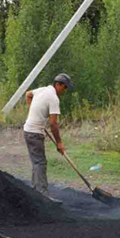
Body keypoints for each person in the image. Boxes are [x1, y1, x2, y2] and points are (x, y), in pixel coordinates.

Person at [23, 74, 74, 203]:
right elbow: (53, 124)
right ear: (58, 84)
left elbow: (28, 94)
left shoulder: (43, 89)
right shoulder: (54, 98)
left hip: (28, 130)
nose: (65, 90)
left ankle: (35, 191)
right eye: (65, 87)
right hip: (34, 133)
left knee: (37, 162)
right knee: (40, 163)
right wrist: (59, 143)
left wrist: (35, 112)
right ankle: (42, 195)